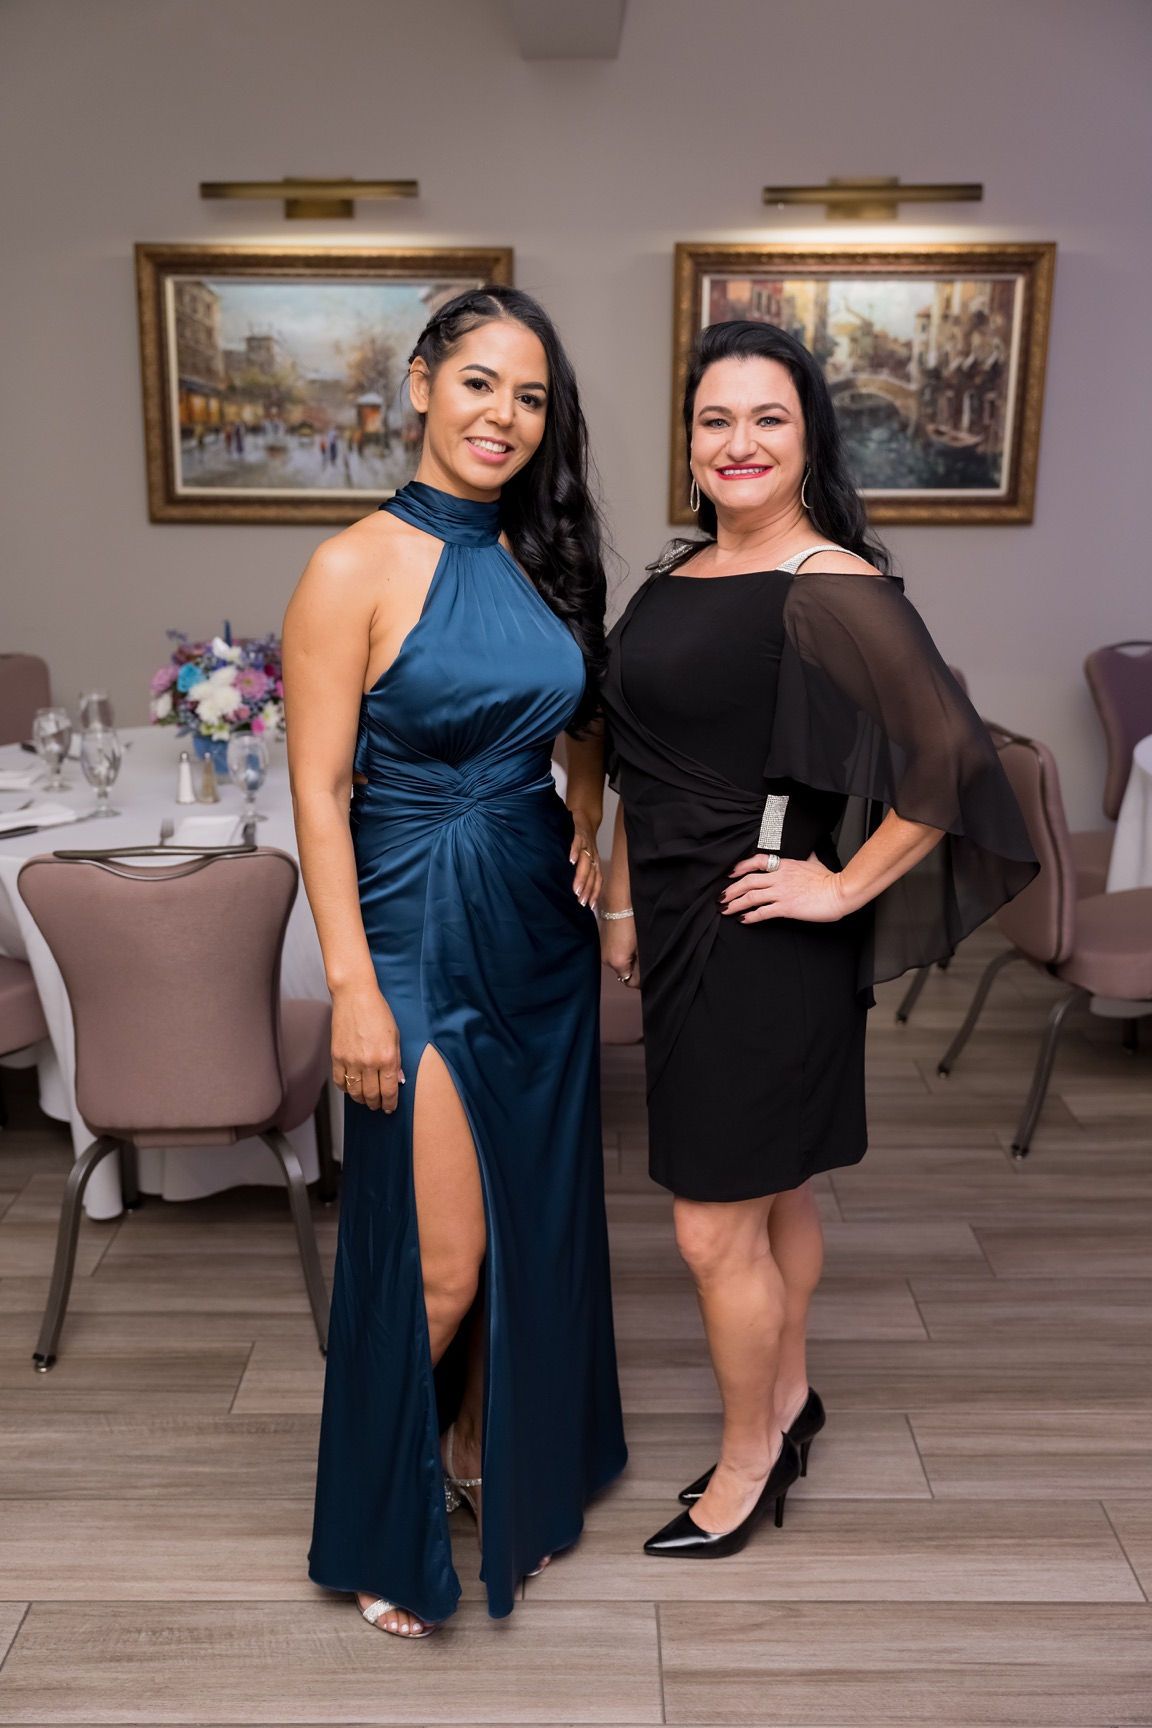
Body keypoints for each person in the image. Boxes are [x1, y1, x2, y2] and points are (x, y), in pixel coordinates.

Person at [599, 319, 1036, 1560]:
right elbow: (639, 761)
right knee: (776, 1185)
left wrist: (842, 888)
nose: (738, 443)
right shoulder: (678, 576)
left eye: (768, 419)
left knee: (709, 1226)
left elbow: (954, 760)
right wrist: (623, 899)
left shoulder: (829, 583)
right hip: (681, 917)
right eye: (715, 420)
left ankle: (749, 1460)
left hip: (764, 935)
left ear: (809, 440)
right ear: (690, 441)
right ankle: (789, 1399)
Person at [284, 285, 627, 1637]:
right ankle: (383, 1518)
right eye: (481, 383)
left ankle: (487, 1455)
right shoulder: (351, 567)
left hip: (537, 937)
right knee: (440, 1263)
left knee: (530, 1227)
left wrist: (588, 823)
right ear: (421, 383)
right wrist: (352, 988)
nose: (504, 417)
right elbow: (319, 794)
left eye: (531, 398)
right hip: (415, 931)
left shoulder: (547, 558)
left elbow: (584, 714)